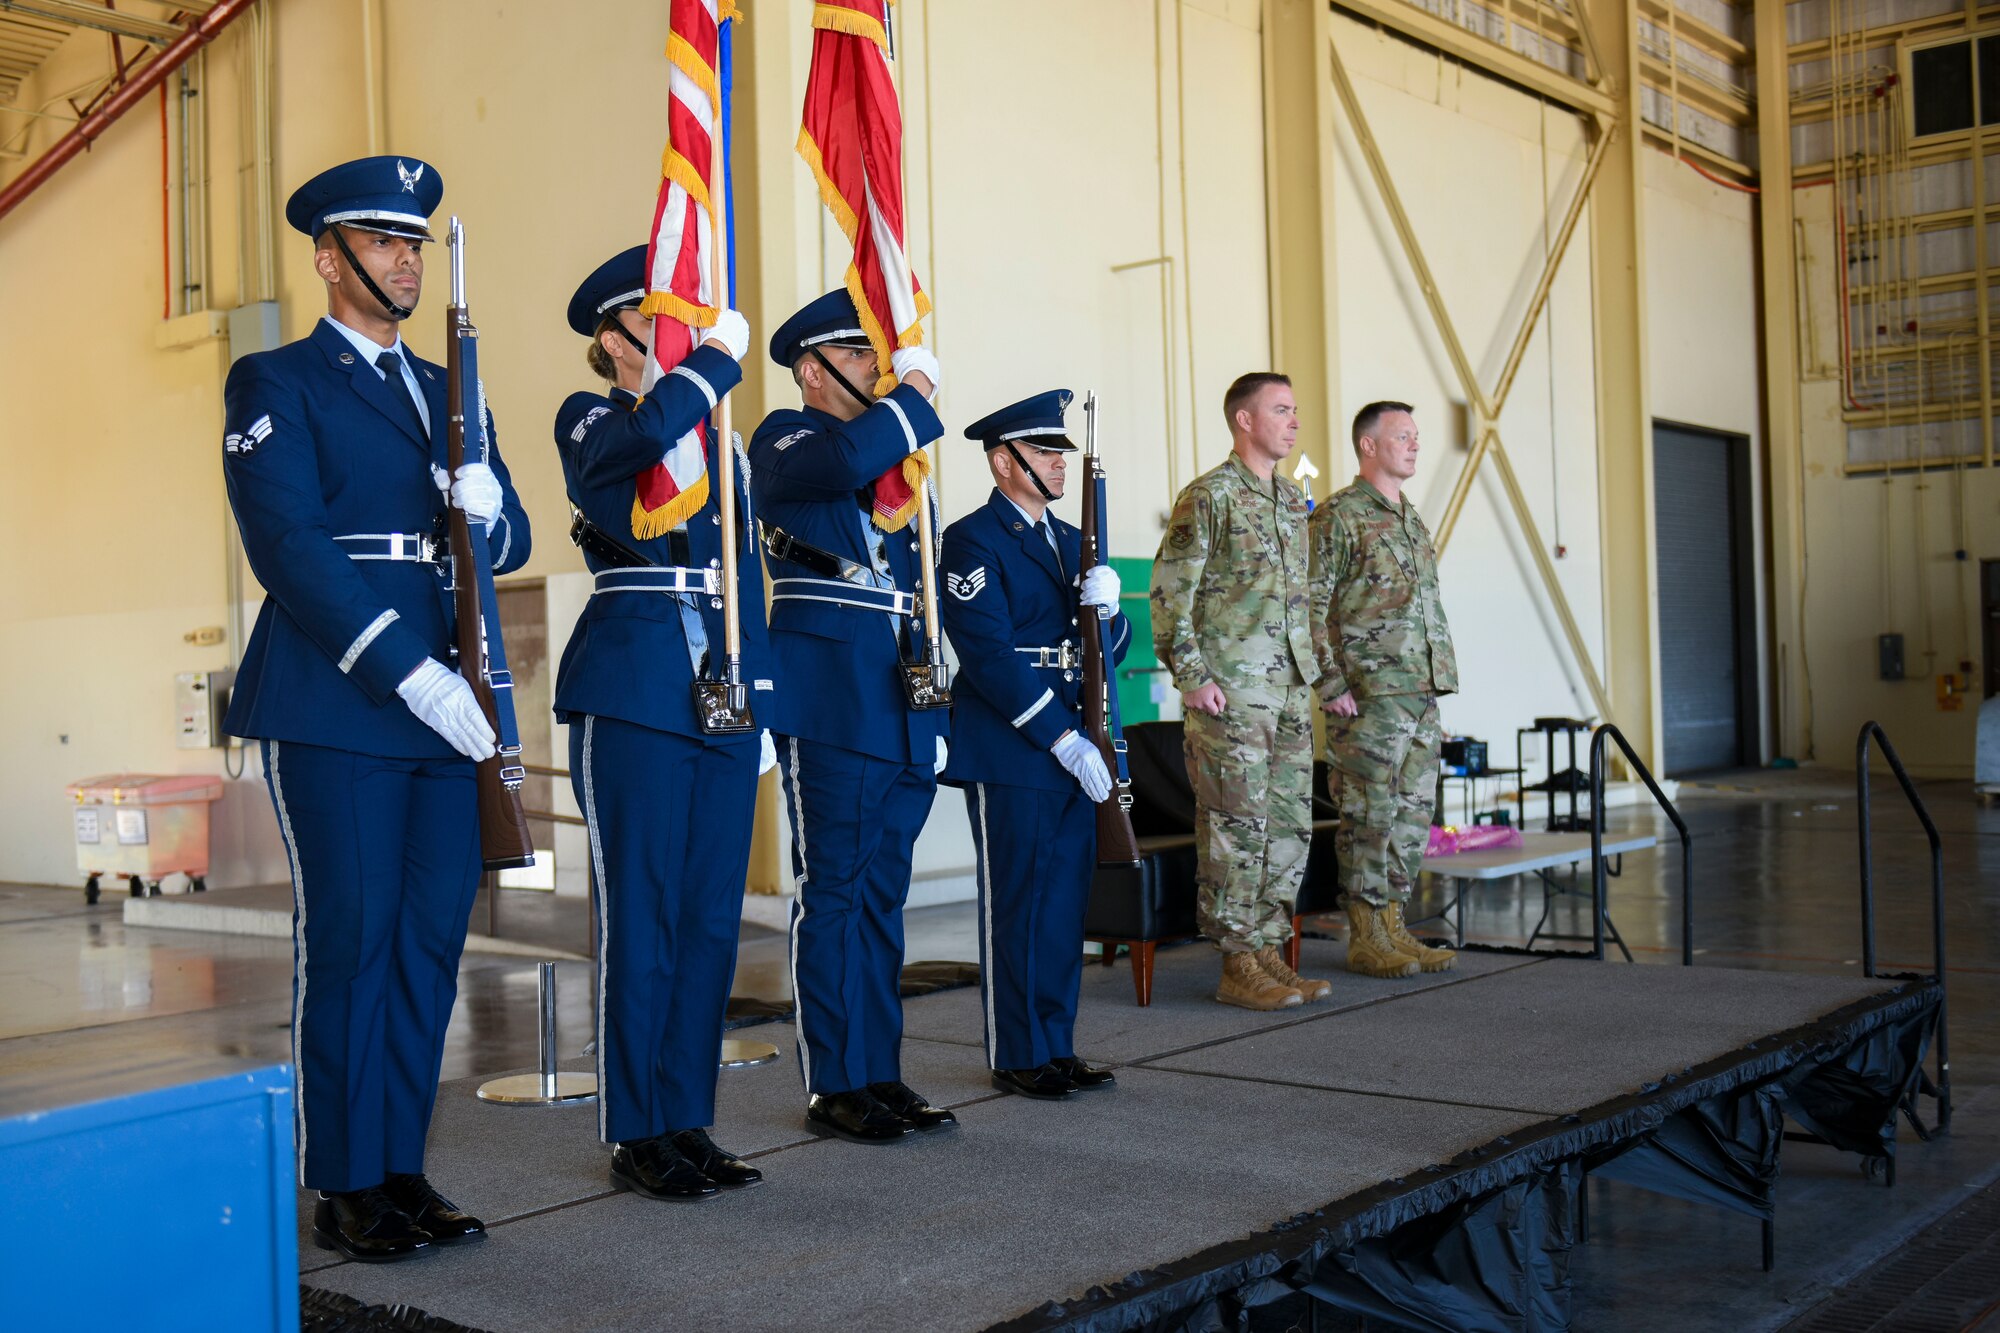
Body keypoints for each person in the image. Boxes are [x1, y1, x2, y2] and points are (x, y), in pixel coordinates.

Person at [221, 156, 531, 1261]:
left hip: (446, 707)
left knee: (429, 945)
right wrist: (408, 667)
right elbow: (290, 547)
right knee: (352, 939)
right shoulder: (278, 381)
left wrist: (487, 515)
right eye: (384, 241)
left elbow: (514, 540)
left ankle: (400, 1166)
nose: (405, 258)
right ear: (328, 255)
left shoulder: (450, 386)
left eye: (414, 242)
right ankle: (342, 1180)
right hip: (343, 695)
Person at [552, 246, 779, 1202]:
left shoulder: (721, 440)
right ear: (614, 337)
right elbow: (626, 462)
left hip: (721, 691)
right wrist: (709, 368)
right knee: (640, 917)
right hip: (637, 683)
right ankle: (635, 1127)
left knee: (706, 923)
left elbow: (747, 580)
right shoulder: (593, 418)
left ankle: (687, 1117)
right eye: (662, 319)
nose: (682, 331)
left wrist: (762, 697)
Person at [748, 290, 954, 1144]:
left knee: (883, 892)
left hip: (898, 686)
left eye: (878, 354)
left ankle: (879, 1068)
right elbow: (846, 464)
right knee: (834, 888)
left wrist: (937, 705)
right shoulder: (786, 438)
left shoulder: (894, 464)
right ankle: (835, 1079)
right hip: (830, 686)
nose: (880, 366)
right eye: (863, 354)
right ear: (813, 369)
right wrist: (913, 398)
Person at [938, 390, 1128, 1099]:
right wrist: (1060, 737)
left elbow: (1098, 652)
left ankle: (1056, 1041)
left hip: (1073, 736)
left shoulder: (1066, 539)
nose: (1057, 463)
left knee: (1061, 903)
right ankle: (1017, 1050)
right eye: (1044, 452)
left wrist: (1111, 617)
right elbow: (988, 656)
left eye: (1059, 452)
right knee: (1017, 900)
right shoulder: (973, 539)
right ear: (1003, 461)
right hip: (1013, 743)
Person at [1149, 372, 1328, 1012]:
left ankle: (1268, 951)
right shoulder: (1210, 497)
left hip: (1287, 693)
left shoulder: (1289, 501)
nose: (1294, 421)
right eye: (1281, 409)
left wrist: (1320, 677)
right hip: (1232, 694)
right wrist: (1192, 676)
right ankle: (1236, 962)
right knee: (1234, 826)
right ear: (1244, 421)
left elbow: (1305, 602)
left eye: (1295, 409)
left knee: (1286, 826)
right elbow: (1170, 591)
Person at [1309, 401, 1459, 977]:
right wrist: (1329, 682)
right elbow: (1310, 605)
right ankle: (1366, 933)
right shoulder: (1339, 516)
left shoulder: (1411, 518)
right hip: (1367, 693)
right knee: (1369, 812)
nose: (1415, 445)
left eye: (1417, 437)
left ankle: (1395, 923)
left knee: (1412, 814)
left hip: (1419, 688)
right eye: (1403, 436)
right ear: (1368, 445)